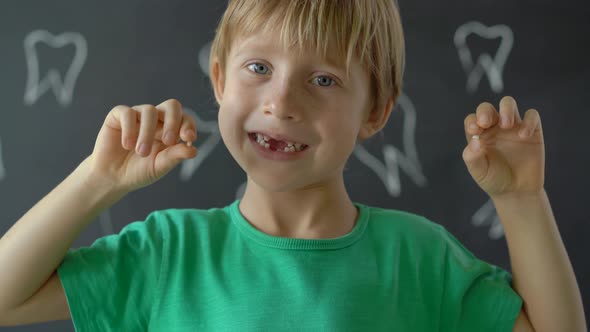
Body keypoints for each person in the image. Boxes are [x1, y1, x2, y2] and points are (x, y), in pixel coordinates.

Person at [0, 0, 585, 331]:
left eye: (324, 80)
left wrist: (522, 201)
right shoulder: (166, 253)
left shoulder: (420, 257)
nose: (282, 102)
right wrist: (97, 181)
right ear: (220, 80)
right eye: (259, 69)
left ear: (376, 111)